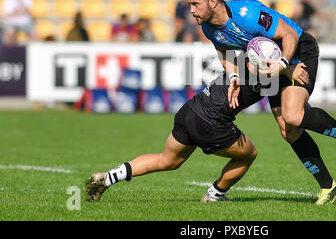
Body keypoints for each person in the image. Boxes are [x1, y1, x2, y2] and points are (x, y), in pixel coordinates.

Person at [187, 0, 336, 204]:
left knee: (293, 115)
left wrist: (285, 65)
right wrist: (234, 76)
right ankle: (330, 189)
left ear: (213, 2)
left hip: (299, 50)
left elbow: (289, 35)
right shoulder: (208, 28)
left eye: (195, 4)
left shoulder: (249, 13)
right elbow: (225, 51)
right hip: (273, 65)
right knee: (289, 130)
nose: (191, 10)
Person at [86, 69, 263, 203]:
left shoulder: (240, 55)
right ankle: (214, 195)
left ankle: (107, 178)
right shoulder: (274, 74)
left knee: (168, 160)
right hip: (211, 122)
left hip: (190, 110)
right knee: (248, 155)